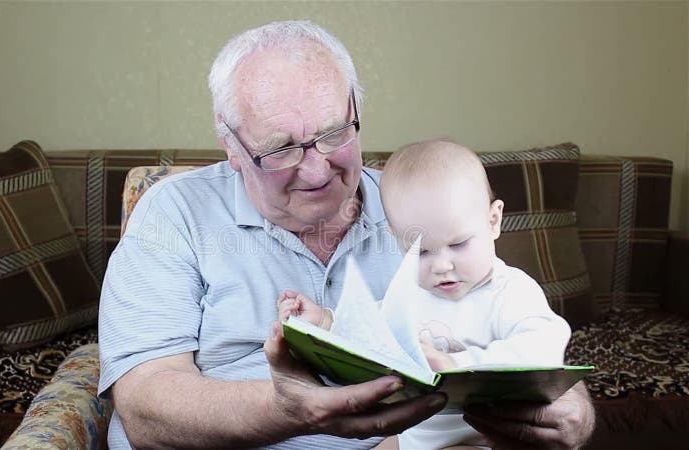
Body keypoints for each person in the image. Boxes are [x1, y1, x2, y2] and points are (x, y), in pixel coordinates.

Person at [98, 20, 595, 449]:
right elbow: (146, 408)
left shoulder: (419, 206)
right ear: (232, 147)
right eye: (281, 148)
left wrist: (572, 409)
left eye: (335, 133)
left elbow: (507, 324)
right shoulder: (175, 213)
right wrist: (286, 409)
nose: (316, 170)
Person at [278, 139, 574, 449]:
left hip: (482, 438)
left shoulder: (509, 291)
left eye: (459, 244)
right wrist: (323, 322)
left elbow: (543, 348)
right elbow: (368, 333)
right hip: (412, 439)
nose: (442, 266)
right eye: (421, 252)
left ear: (493, 220)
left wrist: (457, 365)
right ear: (397, 241)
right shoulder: (408, 294)